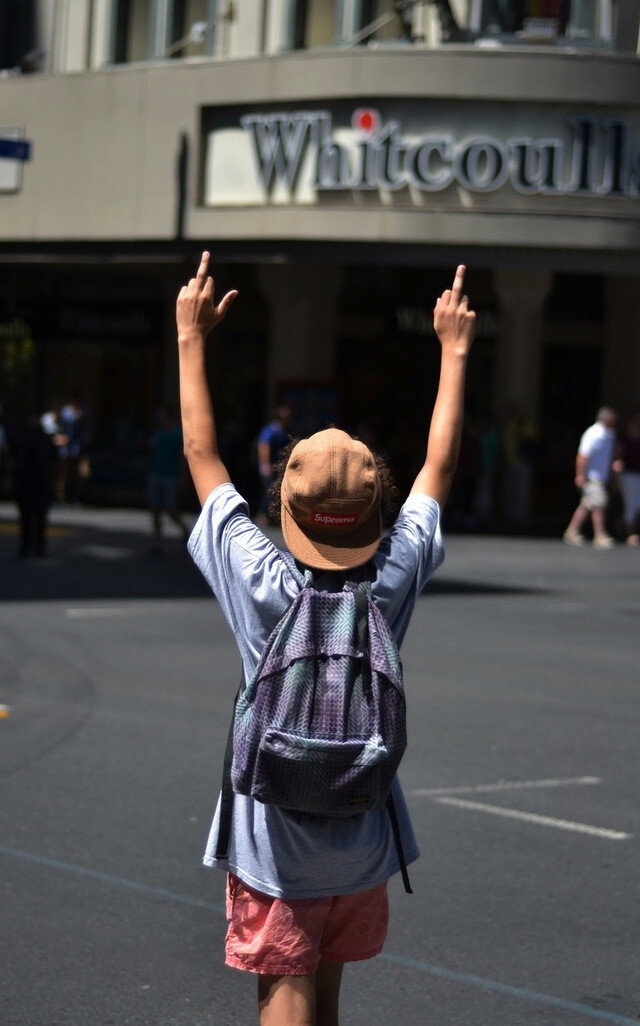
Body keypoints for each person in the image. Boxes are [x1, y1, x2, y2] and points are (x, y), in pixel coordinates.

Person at [176, 252, 474, 1026]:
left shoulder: (260, 580)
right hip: (364, 833)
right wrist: (454, 350)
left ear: (285, 508)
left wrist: (190, 338)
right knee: (329, 1005)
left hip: (274, 841)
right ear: (378, 510)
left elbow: (202, 458)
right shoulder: (393, 573)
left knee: (286, 997)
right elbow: (439, 467)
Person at [563, 406, 617, 548]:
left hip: (601, 476)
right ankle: (600, 534)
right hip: (592, 476)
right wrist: (580, 474)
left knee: (587, 504)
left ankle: (572, 531)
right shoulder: (594, 433)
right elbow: (583, 455)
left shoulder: (609, 434)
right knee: (599, 503)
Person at [147, 404, 190, 553]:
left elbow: (182, 456)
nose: (160, 417)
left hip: (171, 474)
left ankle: (185, 528)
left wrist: (183, 475)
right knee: (154, 507)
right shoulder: (158, 432)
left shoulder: (177, 434)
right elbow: (152, 448)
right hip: (156, 472)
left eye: (162, 414)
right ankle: (158, 540)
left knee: (170, 507)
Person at [256, 404, 291, 522]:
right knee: (269, 489)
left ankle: (271, 516)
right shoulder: (271, 430)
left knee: (276, 490)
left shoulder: (283, 432)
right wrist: (264, 463)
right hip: (269, 466)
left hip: (278, 467)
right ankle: (262, 514)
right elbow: (264, 446)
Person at [612, 409, 640, 547]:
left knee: (637, 505)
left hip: (638, 476)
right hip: (627, 476)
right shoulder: (624, 440)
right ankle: (631, 534)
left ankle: (620, 524)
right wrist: (616, 479)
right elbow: (617, 460)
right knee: (631, 505)